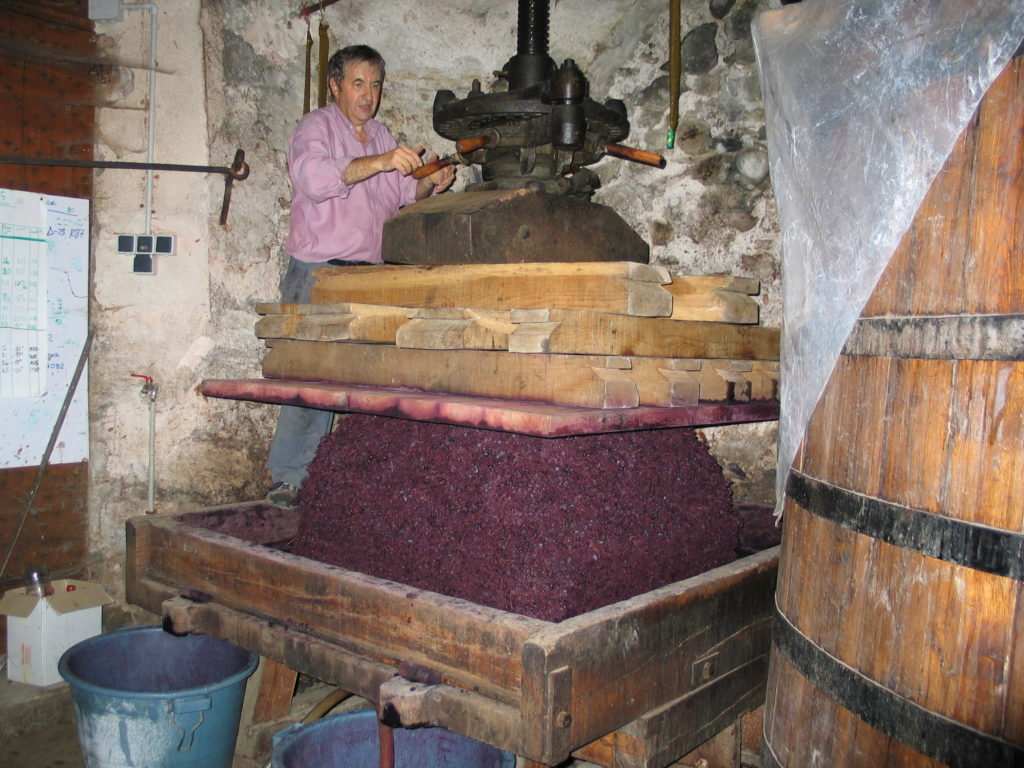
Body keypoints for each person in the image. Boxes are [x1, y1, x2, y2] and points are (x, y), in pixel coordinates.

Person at [266, 44, 455, 508]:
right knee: (309, 379)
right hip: (319, 273)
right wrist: (383, 160)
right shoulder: (317, 127)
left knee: (361, 380)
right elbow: (313, 179)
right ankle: (288, 479)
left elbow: (397, 196)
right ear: (335, 86)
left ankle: (338, 479)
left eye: (374, 84)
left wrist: (430, 184)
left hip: (366, 276)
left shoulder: (381, 134)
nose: (367, 94)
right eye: (357, 83)